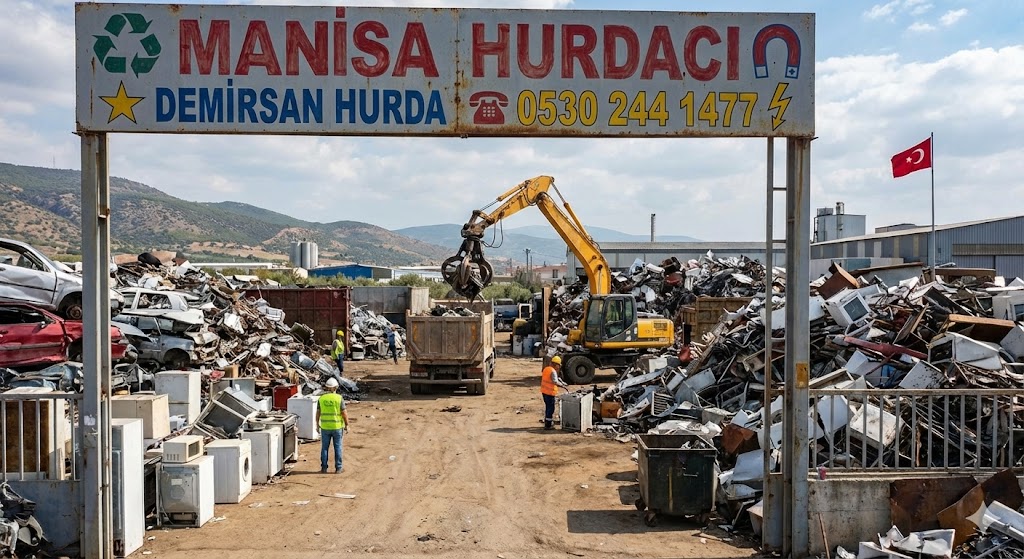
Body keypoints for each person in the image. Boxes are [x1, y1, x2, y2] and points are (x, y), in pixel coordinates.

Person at [315, 377, 349, 473]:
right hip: (337, 427)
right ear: (336, 387)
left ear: (326, 387)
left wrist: (317, 425)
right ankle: (338, 468)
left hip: (325, 427)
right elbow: (344, 413)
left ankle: (324, 468)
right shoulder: (339, 398)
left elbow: (318, 413)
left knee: (324, 448)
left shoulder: (321, 399)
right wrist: (347, 425)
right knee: (337, 447)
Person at [540, 355, 569, 430]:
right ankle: (548, 425)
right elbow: (555, 381)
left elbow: (553, 378)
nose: (559, 367)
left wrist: (562, 382)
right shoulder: (553, 371)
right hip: (550, 393)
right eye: (559, 365)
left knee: (548, 407)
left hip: (544, 392)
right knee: (551, 408)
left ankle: (547, 421)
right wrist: (562, 385)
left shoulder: (546, 369)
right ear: (556, 364)